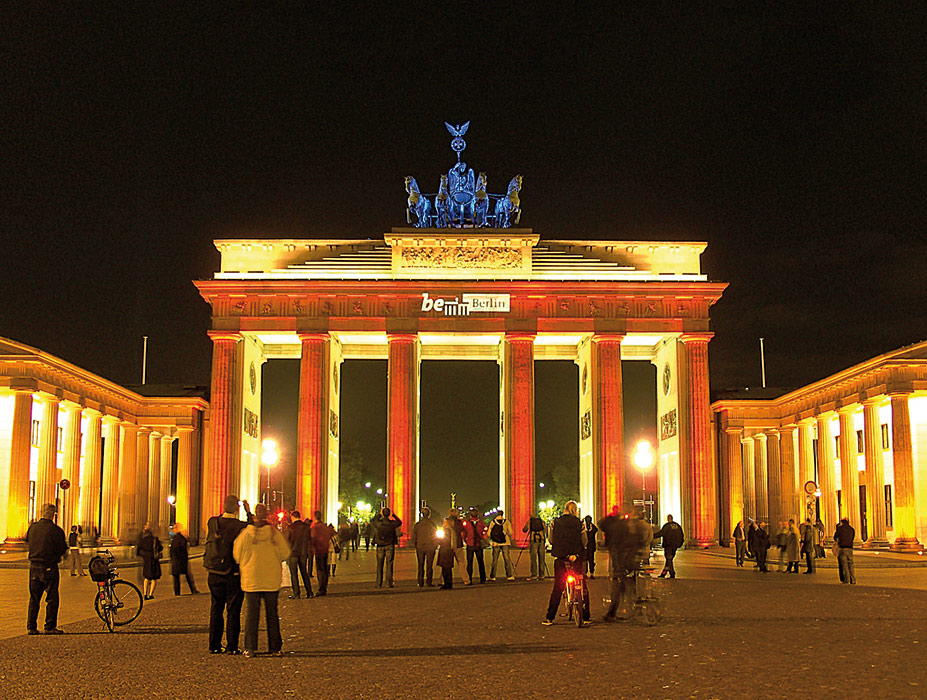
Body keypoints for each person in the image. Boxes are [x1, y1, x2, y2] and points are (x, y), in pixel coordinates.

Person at [233, 503, 291, 658]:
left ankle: (250, 647)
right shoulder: (274, 534)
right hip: (271, 580)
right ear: (266, 514)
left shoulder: (246, 534)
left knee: (251, 614)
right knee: (272, 613)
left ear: (255, 515)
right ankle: (275, 647)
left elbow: (237, 555)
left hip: (252, 580)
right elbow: (285, 553)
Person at [205, 495, 252, 655]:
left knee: (216, 608)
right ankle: (232, 646)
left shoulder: (213, 522)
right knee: (233, 610)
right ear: (237, 508)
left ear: (224, 506)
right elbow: (252, 528)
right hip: (232, 573)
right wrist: (248, 512)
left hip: (214, 572)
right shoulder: (239, 526)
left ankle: (214, 645)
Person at [543, 501, 590, 626]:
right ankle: (586, 616)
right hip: (576, 556)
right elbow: (585, 541)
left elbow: (551, 540)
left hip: (561, 556)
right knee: (582, 585)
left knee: (558, 587)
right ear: (575, 510)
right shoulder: (580, 523)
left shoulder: (555, 522)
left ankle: (550, 617)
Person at [26, 503, 68, 635]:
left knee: (34, 598)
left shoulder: (32, 528)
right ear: (52, 514)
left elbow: (28, 541)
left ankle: (31, 627)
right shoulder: (56, 530)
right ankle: (49, 626)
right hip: (49, 566)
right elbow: (62, 549)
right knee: (51, 597)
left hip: (34, 566)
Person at [371, 507, 402, 588]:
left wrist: (379, 515)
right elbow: (399, 522)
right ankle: (388, 583)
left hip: (380, 545)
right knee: (389, 564)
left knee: (379, 565)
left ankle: (378, 583)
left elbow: (372, 520)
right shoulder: (391, 524)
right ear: (388, 514)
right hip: (389, 545)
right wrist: (394, 515)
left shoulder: (379, 524)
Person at [284, 510, 312, 599]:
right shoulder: (306, 527)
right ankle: (309, 592)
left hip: (293, 553)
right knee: (304, 573)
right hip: (303, 552)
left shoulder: (290, 527)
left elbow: (287, 541)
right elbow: (309, 539)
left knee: (294, 574)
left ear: (292, 517)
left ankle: (296, 593)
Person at [410, 507, 438, 587]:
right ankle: (429, 581)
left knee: (420, 565)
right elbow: (435, 536)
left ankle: (420, 581)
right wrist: (435, 545)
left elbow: (414, 537)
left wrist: (416, 545)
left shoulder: (417, 525)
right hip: (430, 547)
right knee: (429, 565)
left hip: (420, 547)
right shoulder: (432, 524)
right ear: (429, 515)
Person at [170, 522, 199, 595]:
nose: (173, 529)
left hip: (177, 560)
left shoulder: (177, 538)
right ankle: (192, 590)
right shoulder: (180, 538)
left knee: (178, 577)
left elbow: (175, 549)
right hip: (181, 559)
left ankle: (178, 592)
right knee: (187, 575)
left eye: (175, 528)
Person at [136, 526, 163, 600]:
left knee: (146, 578)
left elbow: (138, 550)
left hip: (147, 560)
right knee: (154, 578)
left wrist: (143, 555)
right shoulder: (155, 540)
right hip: (154, 560)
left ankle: (145, 593)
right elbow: (160, 548)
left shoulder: (143, 540)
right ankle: (151, 594)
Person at [487, 510, 516, 581]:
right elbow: (511, 532)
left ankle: (492, 576)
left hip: (496, 543)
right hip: (505, 542)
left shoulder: (493, 522)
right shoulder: (506, 522)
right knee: (506, 559)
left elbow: (488, 533)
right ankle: (509, 575)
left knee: (495, 560)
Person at [654, 514, 684, 579]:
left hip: (668, 545)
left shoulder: (667, 526)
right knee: (669, 559)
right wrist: (680, 543)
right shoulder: (678, 526)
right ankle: (665, 573)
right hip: (675, 545)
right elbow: (681, 534)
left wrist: (652, 536)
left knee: (669, 559)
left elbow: (661, 533)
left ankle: (671, 573)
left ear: (668, 519)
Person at [309, 511, 332, 596]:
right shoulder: (325, 527)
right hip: (325, 549)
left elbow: (313, 538)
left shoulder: (315, 528)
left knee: (320, 570)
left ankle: (321, 588)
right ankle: (324, 587)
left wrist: (311, 548)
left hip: (318, 550)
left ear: (315, 517)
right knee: (325, 569)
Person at [462, 508, 487, 584]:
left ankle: (469, 578)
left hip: (470, 544)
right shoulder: (481, 523)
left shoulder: (467, 523)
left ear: (470, 516)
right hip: (478, 544)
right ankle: (483, 579)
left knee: (469, 562)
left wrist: (466, 541)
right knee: (481, 562)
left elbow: (463, 533)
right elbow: (485, 531)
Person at [447, 508, 471, 585]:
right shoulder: (459, 522)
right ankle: (466, 580)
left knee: (446, 564)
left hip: (448, 545)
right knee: (462, 563)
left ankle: (444, 580)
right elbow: (463, 531)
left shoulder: (446, 522)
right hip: (458, 544)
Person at [436, 515, 459, 589]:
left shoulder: (446, 530)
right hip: (450, 550)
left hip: (445, 551)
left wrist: (438, 540)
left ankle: (447, 584)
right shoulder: (452, 530)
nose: (443, 523)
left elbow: (443, 541)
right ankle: (448, 583)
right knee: (448, 568)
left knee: (445, 568)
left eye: (444, 522)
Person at [523, 512, 547, 580]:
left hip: (533, 540)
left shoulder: (529, 522)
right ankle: (542, 574)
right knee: (542, 557)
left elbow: (524, 530)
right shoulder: (541, 521)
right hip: (541, 539)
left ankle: (534, 574)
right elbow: (545, 529)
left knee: (533, 558)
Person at [834, 518, 856, 584]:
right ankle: (853, 579)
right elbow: (852, 537)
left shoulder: (840, 529)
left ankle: (847, 579)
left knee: (844, 564)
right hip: (850, 548)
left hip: (842, 548)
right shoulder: (851, 529)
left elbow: (835, 537)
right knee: (850, 564)